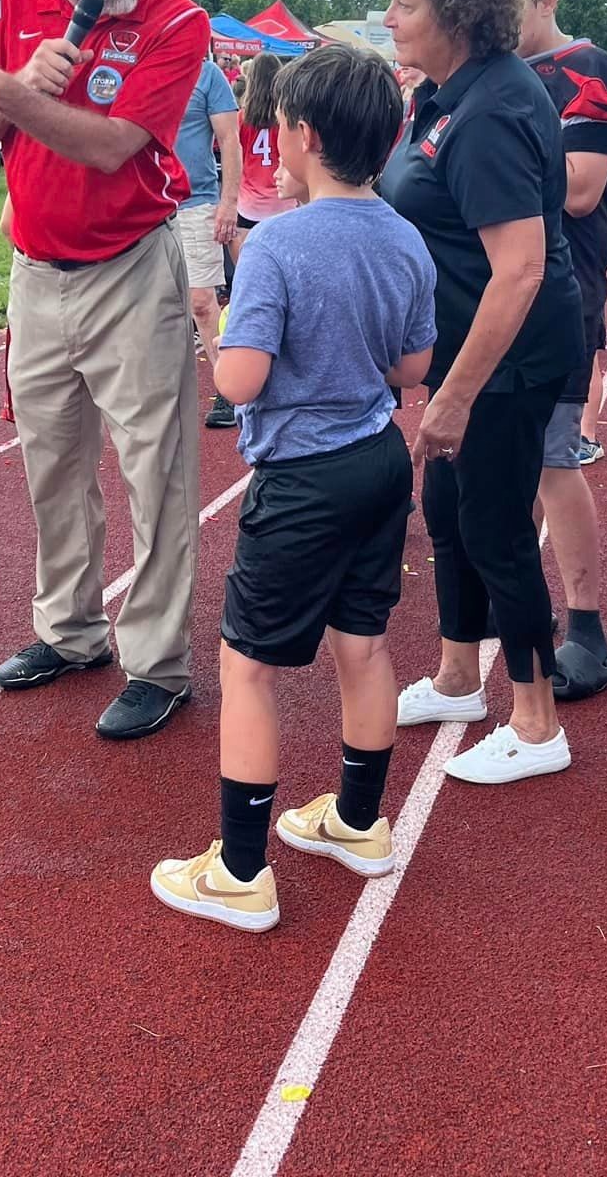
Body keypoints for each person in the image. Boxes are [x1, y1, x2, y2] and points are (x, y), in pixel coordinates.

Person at [150, 46, 437, 932]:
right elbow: (415, 365)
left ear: (302, 137)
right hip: (380, 461)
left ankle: (241, 872)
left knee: (247, 667)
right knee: (364, 643)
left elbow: (239, 382)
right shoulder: (406, 236)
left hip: (304, 477)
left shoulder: (279, 242)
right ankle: (358, 822)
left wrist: (223, 319)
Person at [0, 0, 210, 742]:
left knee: (155, 471)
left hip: (132, 268)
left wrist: (8, 86)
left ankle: (158, 663)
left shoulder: (179, 20)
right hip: (34, 270)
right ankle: (70, 629)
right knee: (51, 464)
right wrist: (13, 88)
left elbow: (112, 147)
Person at [378, 0, 584, 784]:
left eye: (404, 1)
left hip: (510, 360)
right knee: (453, 512)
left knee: (497, 528)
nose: (389, 15)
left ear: (457, 13)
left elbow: (520, 270)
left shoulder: (493, 107)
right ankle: (459, 677)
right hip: (472, 350)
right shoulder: (448, 89)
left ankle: (538, 725)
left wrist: (456, 395)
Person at [505, 0, 607, 700]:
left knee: (556, 458)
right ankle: (514, 598)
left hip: (557, 287)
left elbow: (582, 186)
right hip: (489, 289)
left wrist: (481, 177)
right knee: (501, 455)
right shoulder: (488, 72)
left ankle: (587, 627)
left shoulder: (590, 72)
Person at [172, 57, 244, 429]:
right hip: (143, 206)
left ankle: (229, 389)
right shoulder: (139, 64)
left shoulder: (206, 73)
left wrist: (228, 202)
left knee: (202, 301)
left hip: (195, 201)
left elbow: (230, 139)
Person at [233, 53, 295, 257]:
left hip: (249, 204)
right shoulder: (286, 118)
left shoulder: (241, 118)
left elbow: (236, 159)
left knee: (248, 259)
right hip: (282, 202)